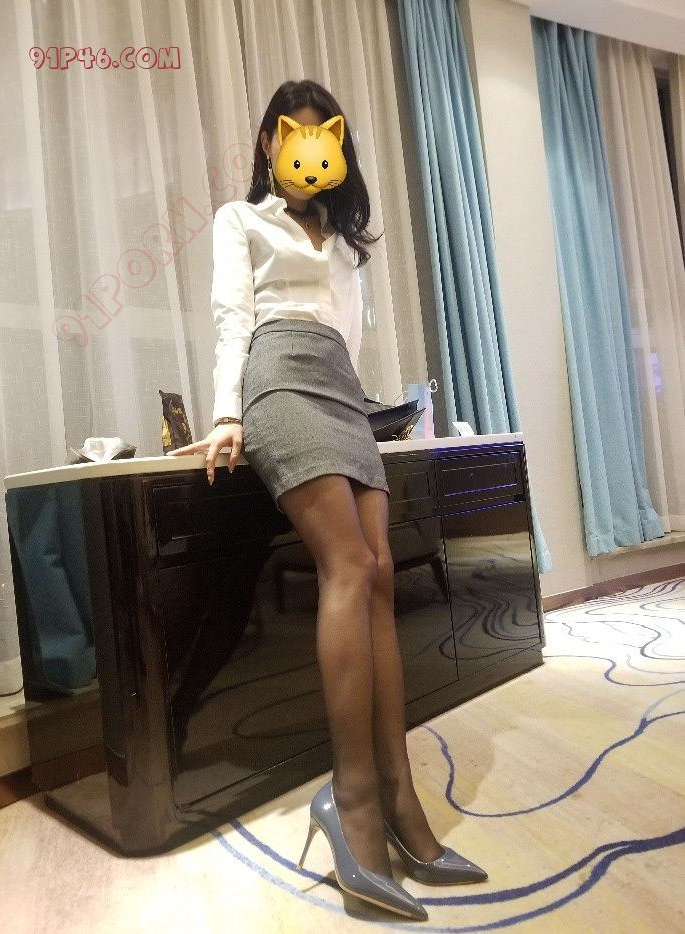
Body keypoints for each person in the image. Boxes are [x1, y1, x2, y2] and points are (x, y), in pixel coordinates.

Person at [168, 79, 486, 920]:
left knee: (378, 571)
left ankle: (400, 795)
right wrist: (228, 414)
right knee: (347, 565)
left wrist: (371, 410)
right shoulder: (242, 220)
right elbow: (233, 318)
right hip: (278, 377)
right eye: (292, 134)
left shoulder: (345, 244)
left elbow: (345, 333)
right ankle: (352, 802)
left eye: (321, 136)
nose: (306, 148)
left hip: (342, 391)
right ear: (270, 142)